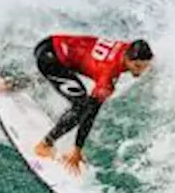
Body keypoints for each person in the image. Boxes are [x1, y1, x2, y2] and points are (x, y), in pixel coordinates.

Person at [27, 35, 153, 174]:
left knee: (65, 76)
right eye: (137, 66)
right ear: (128, 60)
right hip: (50, 59)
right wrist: (77, 149)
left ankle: (11, 83)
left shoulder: (126, 47)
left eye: (144, 67)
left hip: (49, 44)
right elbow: (90, 112)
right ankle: (44, 146)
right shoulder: (108, 75)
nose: (140, 71)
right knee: (81, 106)